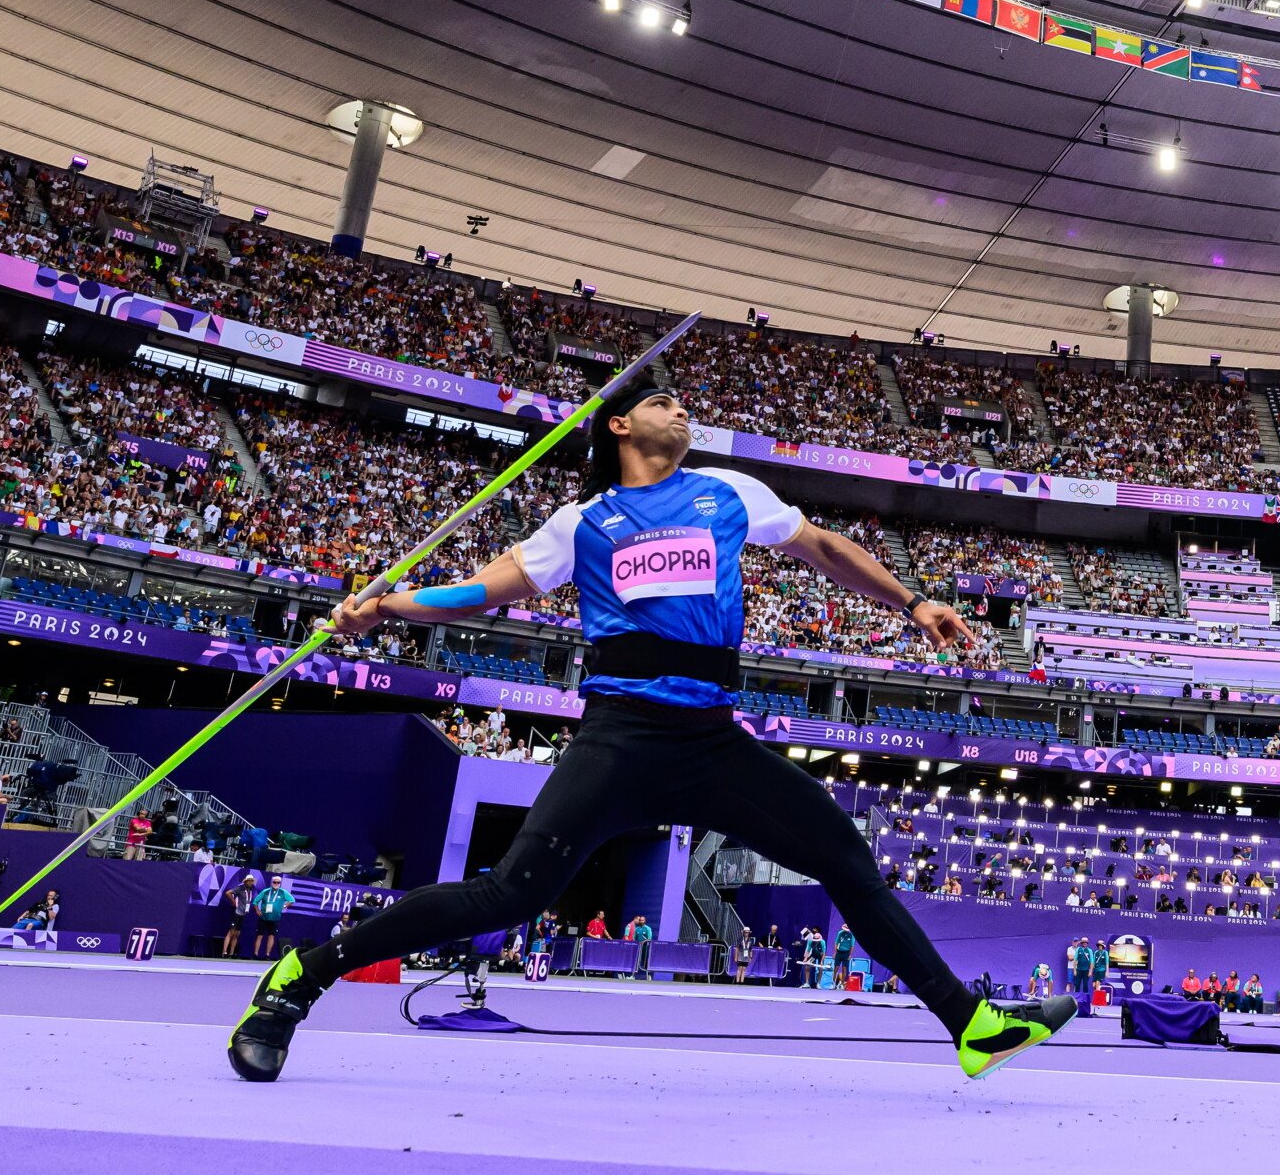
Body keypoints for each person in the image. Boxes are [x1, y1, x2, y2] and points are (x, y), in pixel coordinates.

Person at [227, 385, 1072, 1084]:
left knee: (843, 858)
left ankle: (973, 1025)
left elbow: (821, 547)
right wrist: (389, 606)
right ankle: (299, 980)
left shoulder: (728, 491)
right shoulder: (582, 521)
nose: (684, 411)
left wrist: (913, 602)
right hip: (622, 739)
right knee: (511, 896)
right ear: (621, 425)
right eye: (665, 402)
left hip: (712, 741)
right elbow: (487, 591)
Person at [252, 874, 295, 958]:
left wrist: (285, 906)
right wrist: (257, 910)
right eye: (274, 882)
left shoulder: (283, 892)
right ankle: (255, 954)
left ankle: (267, 955)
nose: (276, 884)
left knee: (271, 936)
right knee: (260, 935)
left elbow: (292, 900)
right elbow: (255, 902)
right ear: (272, 882)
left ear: (280, 883)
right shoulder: (266, 891)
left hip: (275, 918)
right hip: (264, 917)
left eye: (278, 882)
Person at [223, 874, 258, 958]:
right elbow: (228, 893)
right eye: (249, 881)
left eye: (252, 881)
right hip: (236, 912)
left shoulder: (250, 890)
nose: (250, 883)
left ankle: (231, 953)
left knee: (237, 934)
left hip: (243, 914)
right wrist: (233, 901)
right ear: (246, 881)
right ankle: (224, 952)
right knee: (231, 932)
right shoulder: (240, 888)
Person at [831, 922, 856, 987]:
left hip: (846, 953)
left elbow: (852, 946)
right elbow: (836, 943)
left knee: (844, 969)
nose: (845, 931)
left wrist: (850, 955)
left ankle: (842, 984)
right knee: (836, 968)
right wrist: (835, 952)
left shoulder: (851, 935)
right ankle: (833, 983)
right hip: (839, 952)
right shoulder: (840, 933)